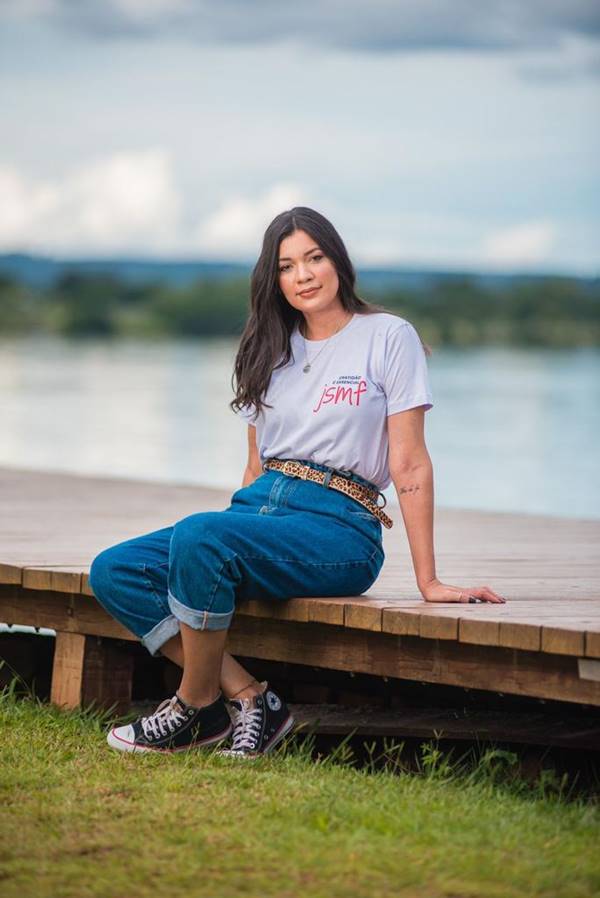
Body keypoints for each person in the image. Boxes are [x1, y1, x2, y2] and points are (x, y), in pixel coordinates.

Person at [89, 206, 506, 758]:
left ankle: (194, 707)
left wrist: (429, 580)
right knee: (116, 570)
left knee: (199, 536)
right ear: (274, 280)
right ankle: (249, 698)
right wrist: (220, 546)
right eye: (287, 266)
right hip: (262, 508)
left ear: (338, 262)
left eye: (314, 258)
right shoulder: (268, 349)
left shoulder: (387, 337)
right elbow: (254, 468)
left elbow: (410, 464)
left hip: (340, 524)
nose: (303, 275)